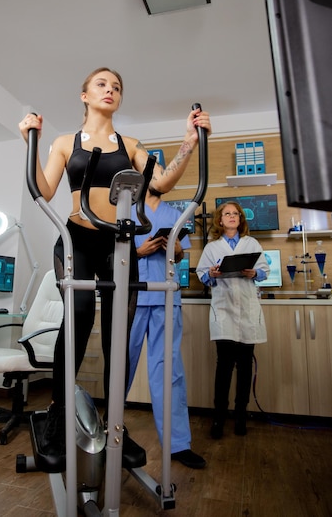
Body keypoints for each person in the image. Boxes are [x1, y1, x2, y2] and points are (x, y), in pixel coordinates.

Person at [19, 67, 212, 458]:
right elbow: (44, 188)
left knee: (116, 335)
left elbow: (160, 184)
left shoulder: (131, 145)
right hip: (76, 239)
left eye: (117, 87)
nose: (111, 90)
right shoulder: (63, 143)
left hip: (117, 242)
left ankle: (114, 426)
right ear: (85, 95)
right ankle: (59, 416)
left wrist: (189, 143)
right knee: (79, 319)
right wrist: (31, 142)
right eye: (102, 85)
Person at [127, 188, 206, 469]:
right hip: (131, 298)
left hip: (165, 297)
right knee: (120, 368)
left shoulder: (176, 213)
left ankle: (178, 444)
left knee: (169, 372)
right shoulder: (123, 208)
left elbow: (181, 254)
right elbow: (111, 255)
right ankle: (107, 432)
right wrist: (138, 252)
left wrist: (174, 249)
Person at [195, 201, 269, 439]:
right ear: (220, 220)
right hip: (224, 311)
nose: (231, 217)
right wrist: (212, 275)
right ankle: (218, 418)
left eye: (235, 214)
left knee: (245, 367)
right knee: (224, 367)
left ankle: (240, 416)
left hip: (247, 310)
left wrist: (254, 272)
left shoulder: (252, 243)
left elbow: (264, 270)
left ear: (240, 219)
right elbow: (202, 275)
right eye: (227, 214)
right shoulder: (212, 247)